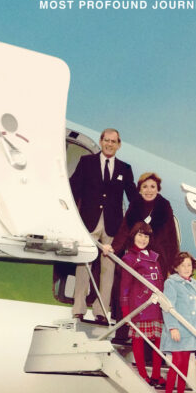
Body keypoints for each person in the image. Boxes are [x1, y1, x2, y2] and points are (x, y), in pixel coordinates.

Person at [69, 128, 137, 323]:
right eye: (106, 140)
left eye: (113, 141)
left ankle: (101, 310)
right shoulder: (86, 162)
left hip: (113, 225)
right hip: (88, 221)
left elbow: (132, 197)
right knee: (84, 264)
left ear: (118, 145)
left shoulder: (125, 169)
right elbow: (74, 188)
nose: (109, 144)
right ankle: (79, 308)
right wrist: (72, 216)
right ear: (101, 141)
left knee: (108, 269)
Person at [118, 221, 165, 385]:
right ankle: (143, 374)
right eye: (140, 235)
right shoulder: (129, 258)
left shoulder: (154, 257)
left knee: (158, 341)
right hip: (140, 306)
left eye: (146, 236)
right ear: (133, 236)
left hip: (156, 306)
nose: (143, 239)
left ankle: (156, 375)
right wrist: (125, 309)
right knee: (138, 340)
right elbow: (124, 286)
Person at [111, 172, 179, 279]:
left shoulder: (164, 207)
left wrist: (173, 266)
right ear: (140, 189)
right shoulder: (134, 206)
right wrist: (113, 249)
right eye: (145, 187)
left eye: (152, 187)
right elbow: (123, 231)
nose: (149, 190)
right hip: (135, 258)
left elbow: (172, 238)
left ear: (158, 189)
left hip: (157, 260)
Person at [160, 252, 196, 393]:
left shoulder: (195, 286)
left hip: (190, 332)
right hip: (178, 330)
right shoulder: (171, 283)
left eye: (189, 265)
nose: (186, 268)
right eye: (183, 265)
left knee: (184, 365)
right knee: (176, 364)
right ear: (176, 267)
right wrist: (172, 327)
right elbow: (167, 306)